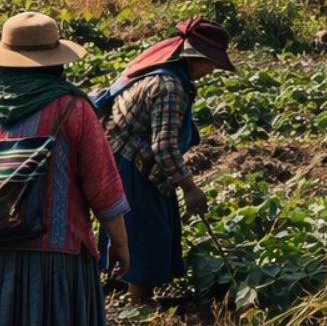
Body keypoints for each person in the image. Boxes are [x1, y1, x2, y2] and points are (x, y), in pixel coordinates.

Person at [0, 13, 130, 326]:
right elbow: (103, 189)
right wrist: (120, 245)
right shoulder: (72, 109)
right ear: (55, 63)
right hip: (52, 264)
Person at [95, 17, 236, 304]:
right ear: (196, 59)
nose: (210, 72)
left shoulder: (162, 73)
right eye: (211, 64)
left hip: (124, 160)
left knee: (138, 229)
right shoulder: (170, 87)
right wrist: (189, 187)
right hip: (133, 166)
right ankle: (140, 303)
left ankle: (125, 293)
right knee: (145, 234)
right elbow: (164, 147)